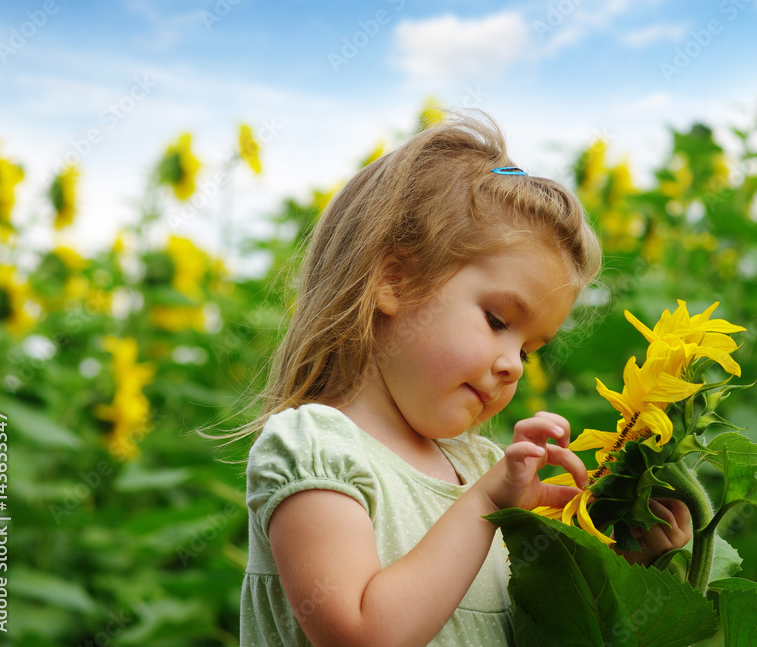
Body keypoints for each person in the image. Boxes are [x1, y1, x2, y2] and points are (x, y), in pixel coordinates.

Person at [238, 112, 691, 647]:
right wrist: (483, 506)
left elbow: (536, 632)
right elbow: (361, 635)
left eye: (527, 348)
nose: (514, 365)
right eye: (498, 321)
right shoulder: (316, 448)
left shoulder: (477, 467)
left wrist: (626, 564)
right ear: (395, 281)